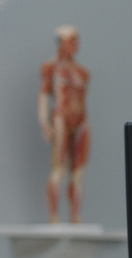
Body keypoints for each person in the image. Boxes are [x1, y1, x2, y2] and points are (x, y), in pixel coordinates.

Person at [38, 25, 90, 224]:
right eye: (71, 41)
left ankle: (75, 216)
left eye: (76, 41)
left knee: (78, 172)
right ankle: (54, 217)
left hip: (81, 120)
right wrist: (44, 122)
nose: (75, 45)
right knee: (58, 168)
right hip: (61, 118)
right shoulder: (51, 67)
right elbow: (44, 94)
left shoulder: (82, 71)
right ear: (61, 43)